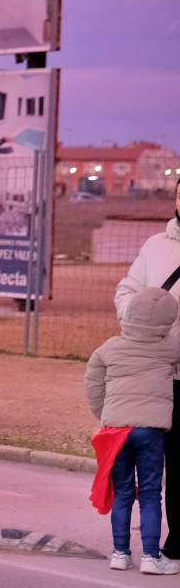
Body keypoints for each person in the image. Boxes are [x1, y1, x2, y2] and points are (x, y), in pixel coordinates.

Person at [85, 286, 180, 574]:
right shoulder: (170, 347)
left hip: (116, 430)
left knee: (123, 492)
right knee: (151, 493)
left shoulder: (109, 348)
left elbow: (92, 383)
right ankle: (151, 557)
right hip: (150, 432)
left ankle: (120, 553)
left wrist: (105, 415)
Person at [114, 175, 180, 559]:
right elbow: (126, 290)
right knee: (161, 463)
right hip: (159, 375)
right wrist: (135, 319)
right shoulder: (156, 247)